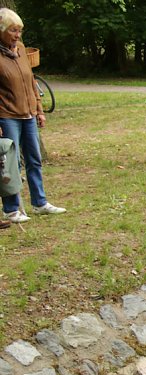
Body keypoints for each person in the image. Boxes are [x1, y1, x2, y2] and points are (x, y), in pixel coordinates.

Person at [0, 8, 65, 224]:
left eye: (19, 30)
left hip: (28, 115)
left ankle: (39, 202)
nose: (17, 35)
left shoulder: (20, 49)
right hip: (7, 115)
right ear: (1, 31)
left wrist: (39, 109)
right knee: (12, 163)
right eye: (13, 31)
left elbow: (31, 81)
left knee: (34, 159)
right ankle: (11, 209)